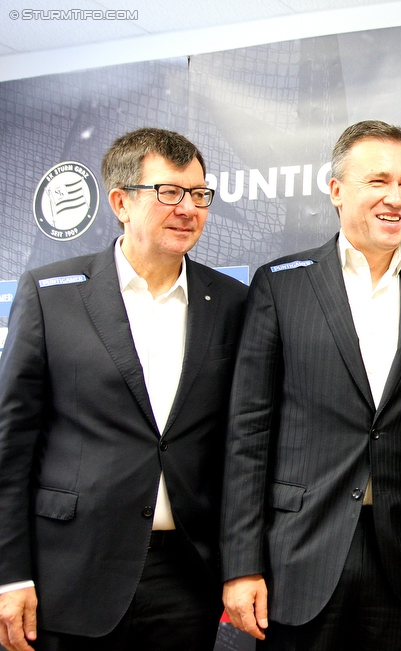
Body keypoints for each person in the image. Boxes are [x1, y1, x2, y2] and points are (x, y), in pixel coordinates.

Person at [220, 120, 401, 650]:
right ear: (336, 191)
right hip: (301, 557)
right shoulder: (280, 284)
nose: (396, 198)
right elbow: (248, 432)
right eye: (377, 181)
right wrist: (241, 566)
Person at [0, 128, 247, 651]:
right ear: (121, 202)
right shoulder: (50, 295)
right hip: (68, 571)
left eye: (200, 195)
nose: (188, 209)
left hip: (187, 576)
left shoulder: (232, 303)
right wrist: (9, 573)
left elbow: (242, 442)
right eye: (169, 193)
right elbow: (10, 447)